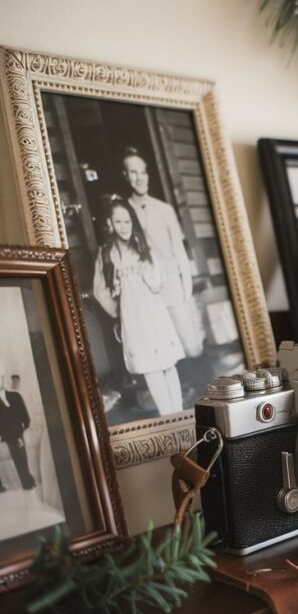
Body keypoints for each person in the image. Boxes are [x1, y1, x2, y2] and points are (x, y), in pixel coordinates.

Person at [93, 198, 185, 417]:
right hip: (133, 318)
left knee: (167, 363)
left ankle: (180, 413)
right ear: (110, 224)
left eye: (127, 221)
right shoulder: (107, 253)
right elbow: (99, 290)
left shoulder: (144, 248)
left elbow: (159, 281)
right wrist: (118, 312)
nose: (124, 226)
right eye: (119, 222)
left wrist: (148, 274)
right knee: (150, 367)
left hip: (155, 312)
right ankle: (168, 416)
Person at [122, 147, 203, 357]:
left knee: (190, 344)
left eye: (143, 172)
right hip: (145, 292)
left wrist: (186, 287)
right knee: (162, 347)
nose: (140, 178)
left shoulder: (164, 210)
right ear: (125, 176)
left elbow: (179, 252)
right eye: (133, 172)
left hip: (172, 287)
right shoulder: (123, 214)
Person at [0, 358, 35, 490]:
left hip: (18, 432)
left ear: (4, 379)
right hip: (6, 435)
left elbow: (25, 417)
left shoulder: (15, 396)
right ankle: (27, 480)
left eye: (0, 377)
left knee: (17, 443)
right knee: (15, 443)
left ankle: (27, 479)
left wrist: (23, 430)